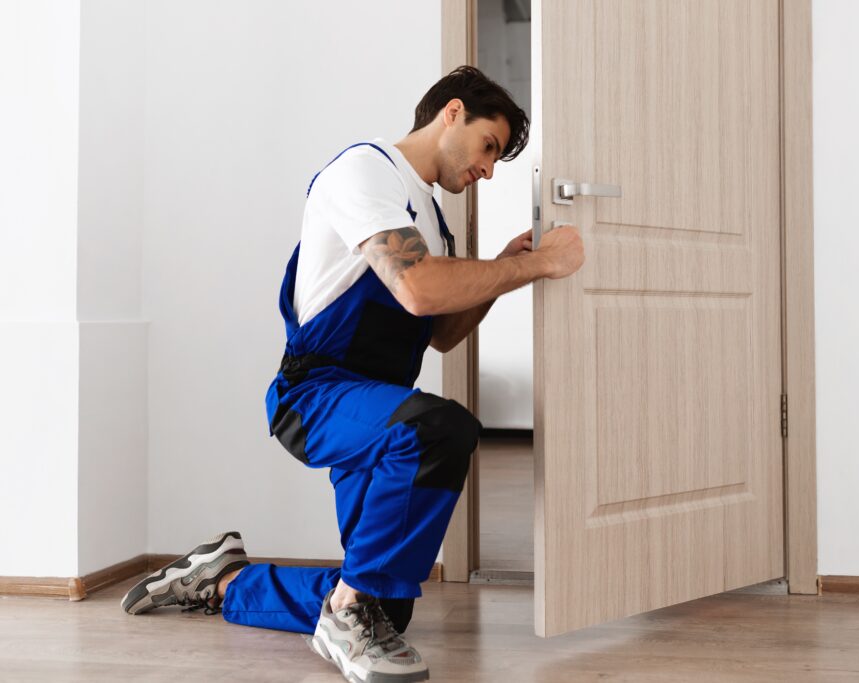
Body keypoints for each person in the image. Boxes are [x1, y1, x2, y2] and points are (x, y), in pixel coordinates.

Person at [120, 65, 584, 682]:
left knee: (382, 602)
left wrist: (500, 268)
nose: (488, 170)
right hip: (316, 397)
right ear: (451, 113)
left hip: (374, 406)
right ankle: (345, 614)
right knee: (440, 429)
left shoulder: (434, 224)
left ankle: (222, 582)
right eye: (489, 147)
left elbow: (442, 332)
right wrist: (537, 268)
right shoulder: (366, 172)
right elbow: (417, 289)